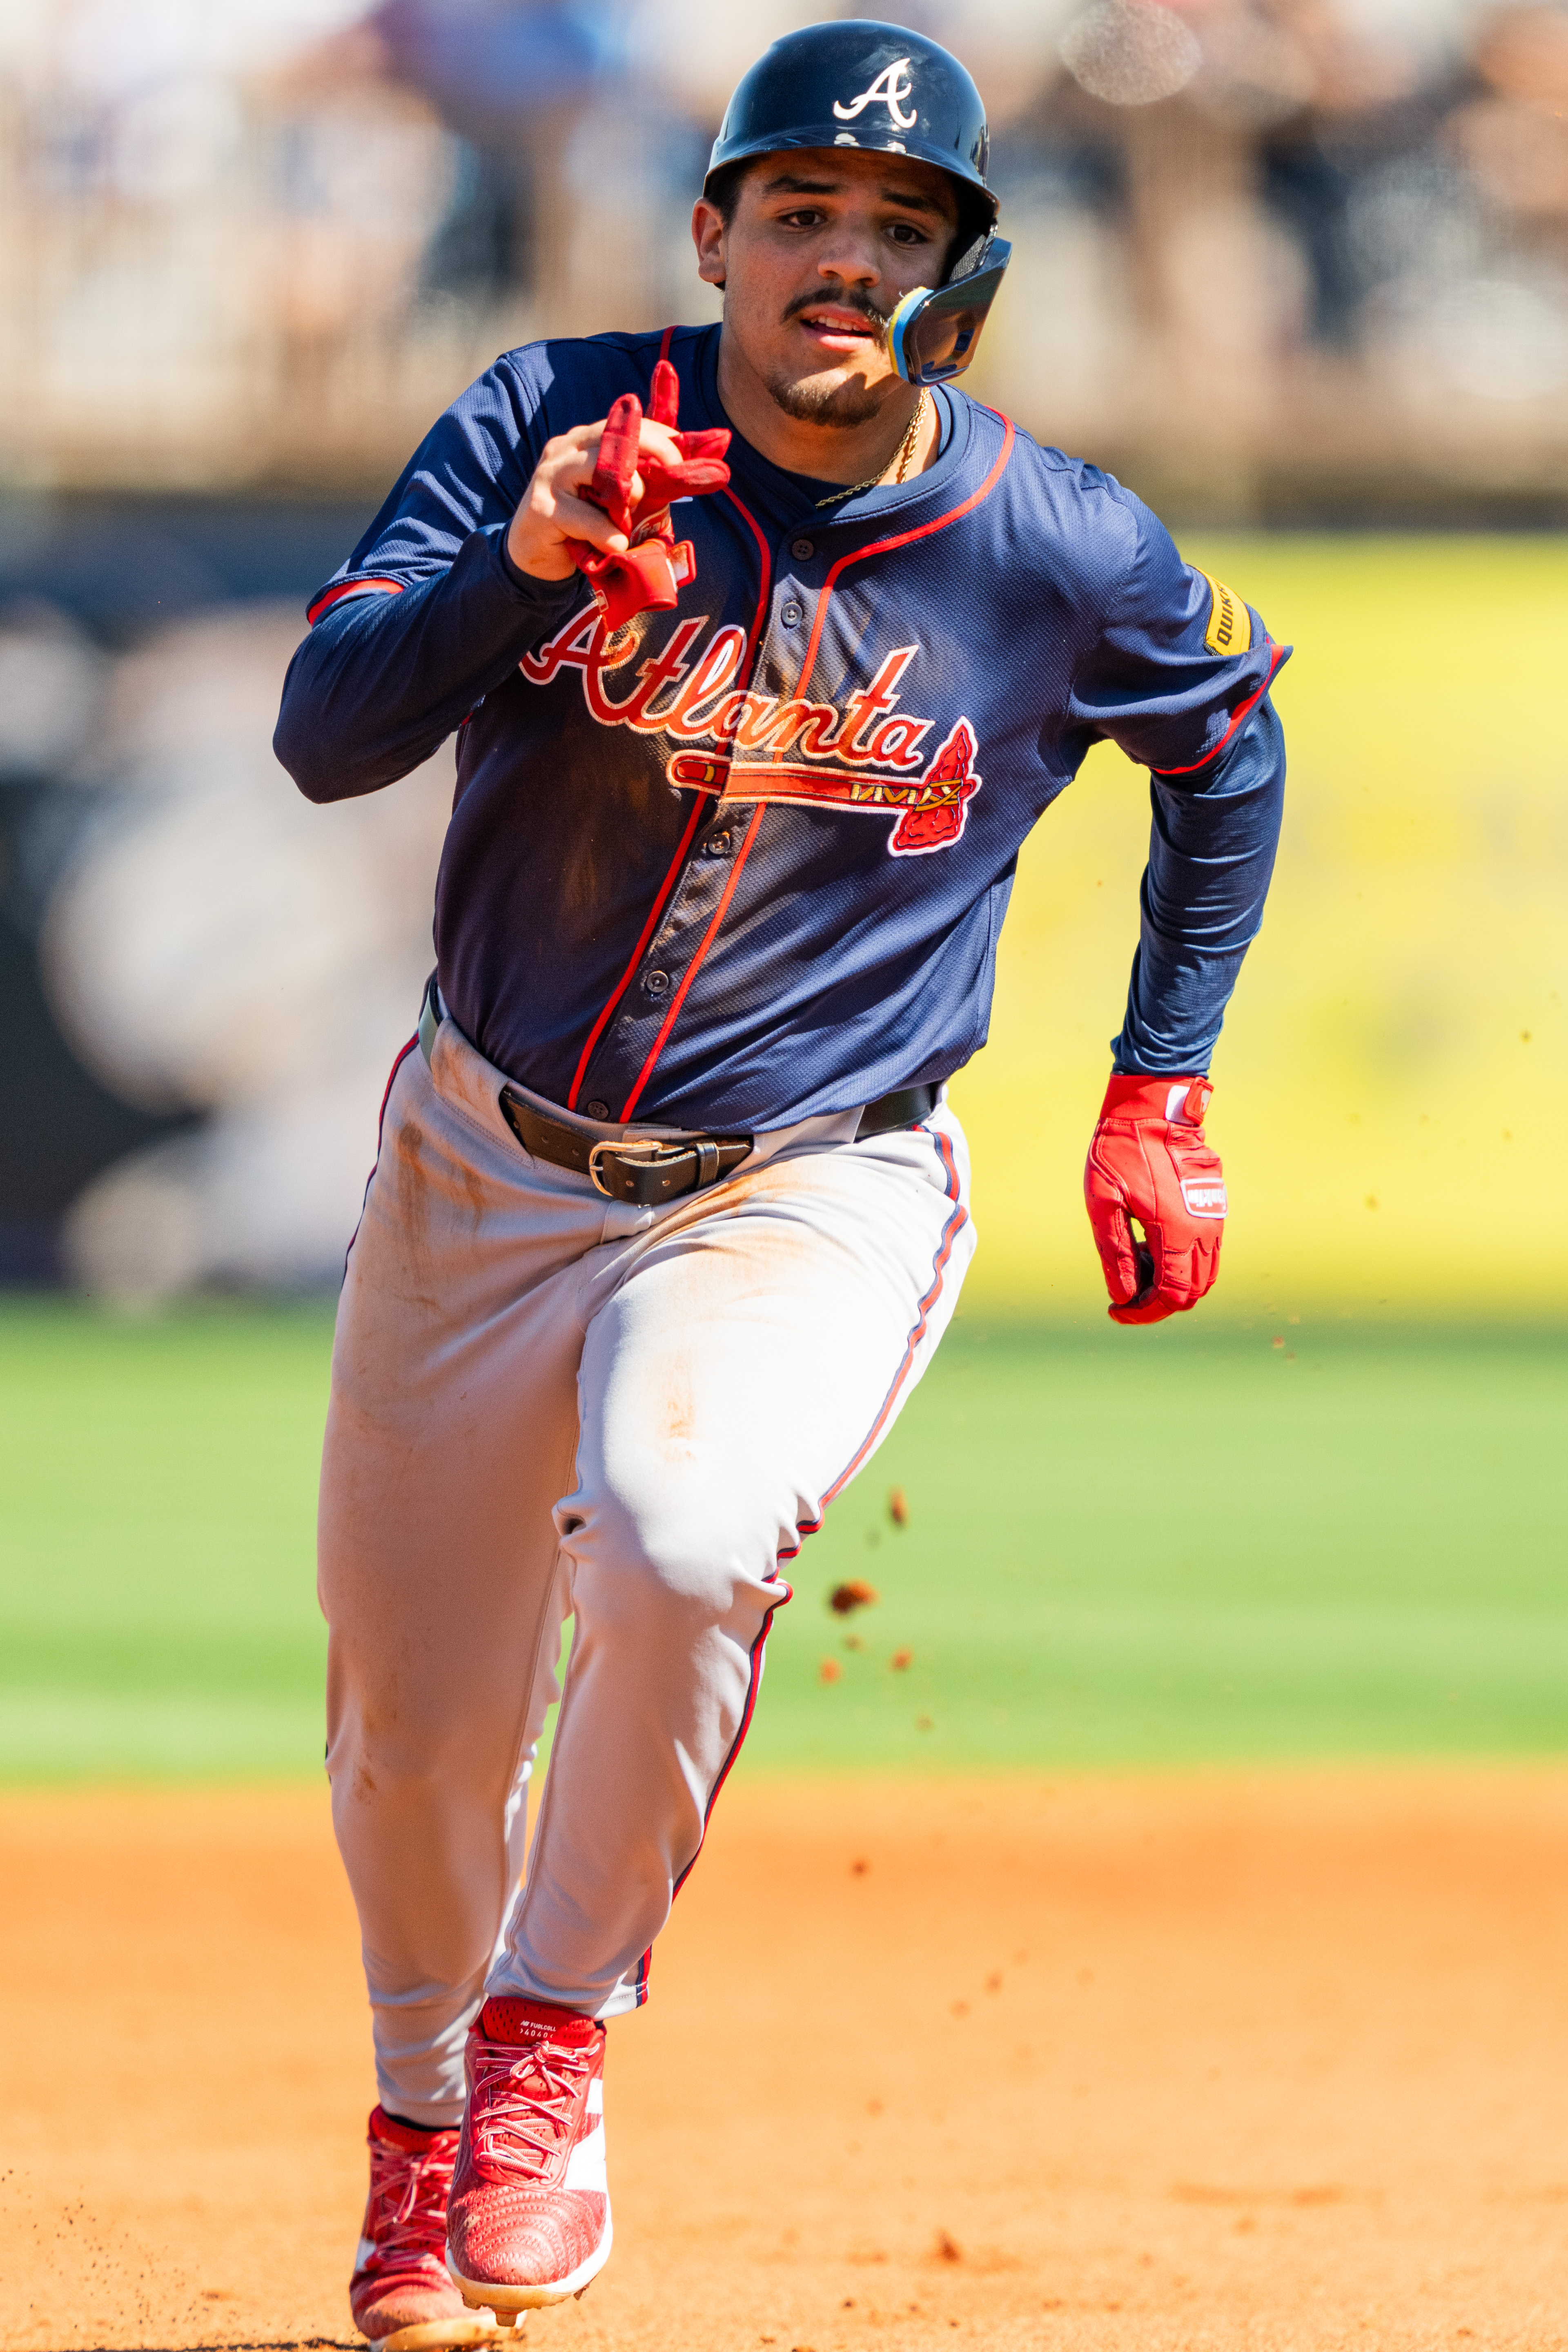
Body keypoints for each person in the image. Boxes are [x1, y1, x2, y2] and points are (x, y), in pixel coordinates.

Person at [273, 18, 1287, 2339]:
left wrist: (1164, 1088)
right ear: (713, 228)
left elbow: (1229, 741)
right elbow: (333, 737)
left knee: (683, 1527)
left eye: (902, 228)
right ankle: (421, 2104)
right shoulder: (552, 422)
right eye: (806, 208)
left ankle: (547, 2041)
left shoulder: (1052, 539)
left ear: (961, 277)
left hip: (809, 1178)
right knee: (416, 1728)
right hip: (484, 1158)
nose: (849, 255)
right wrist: (524, 575)